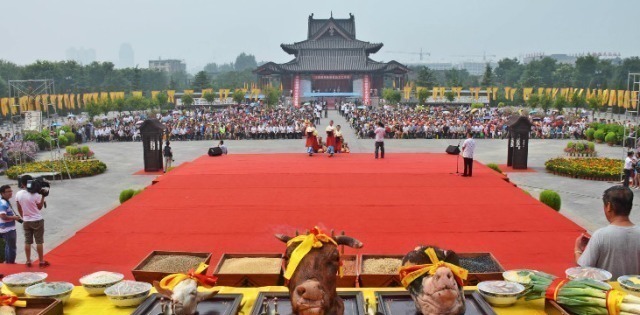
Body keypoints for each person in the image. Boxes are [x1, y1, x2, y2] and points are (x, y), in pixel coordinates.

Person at [575, 186, 640, 278]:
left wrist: (578, 250)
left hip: (608, 291)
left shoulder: (600, 235)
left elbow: (583, 269)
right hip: (633, 291)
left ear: (609, 206)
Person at [15, 175, 48, 268]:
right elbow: (40, 207)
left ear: (22, 184)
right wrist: (43, 197)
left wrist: (23, 216)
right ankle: (41, 261)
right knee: (39, 241)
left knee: (27, 242)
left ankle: (28, 260)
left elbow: (19, 207)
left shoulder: (18, 194)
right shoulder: (36, 194)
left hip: (26, 220)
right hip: (37, 219)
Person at [0, 184, 20, 264]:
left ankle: (8, 262)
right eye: (8, 192)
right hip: (8, 229)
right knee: (11, 247)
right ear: (2, 193)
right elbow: (3, 216)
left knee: (8, 246)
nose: (10, 193)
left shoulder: (4, 201)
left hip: (5, 228)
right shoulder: (3, 203)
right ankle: (10, 263)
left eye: (11, 191)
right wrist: (14, 218)